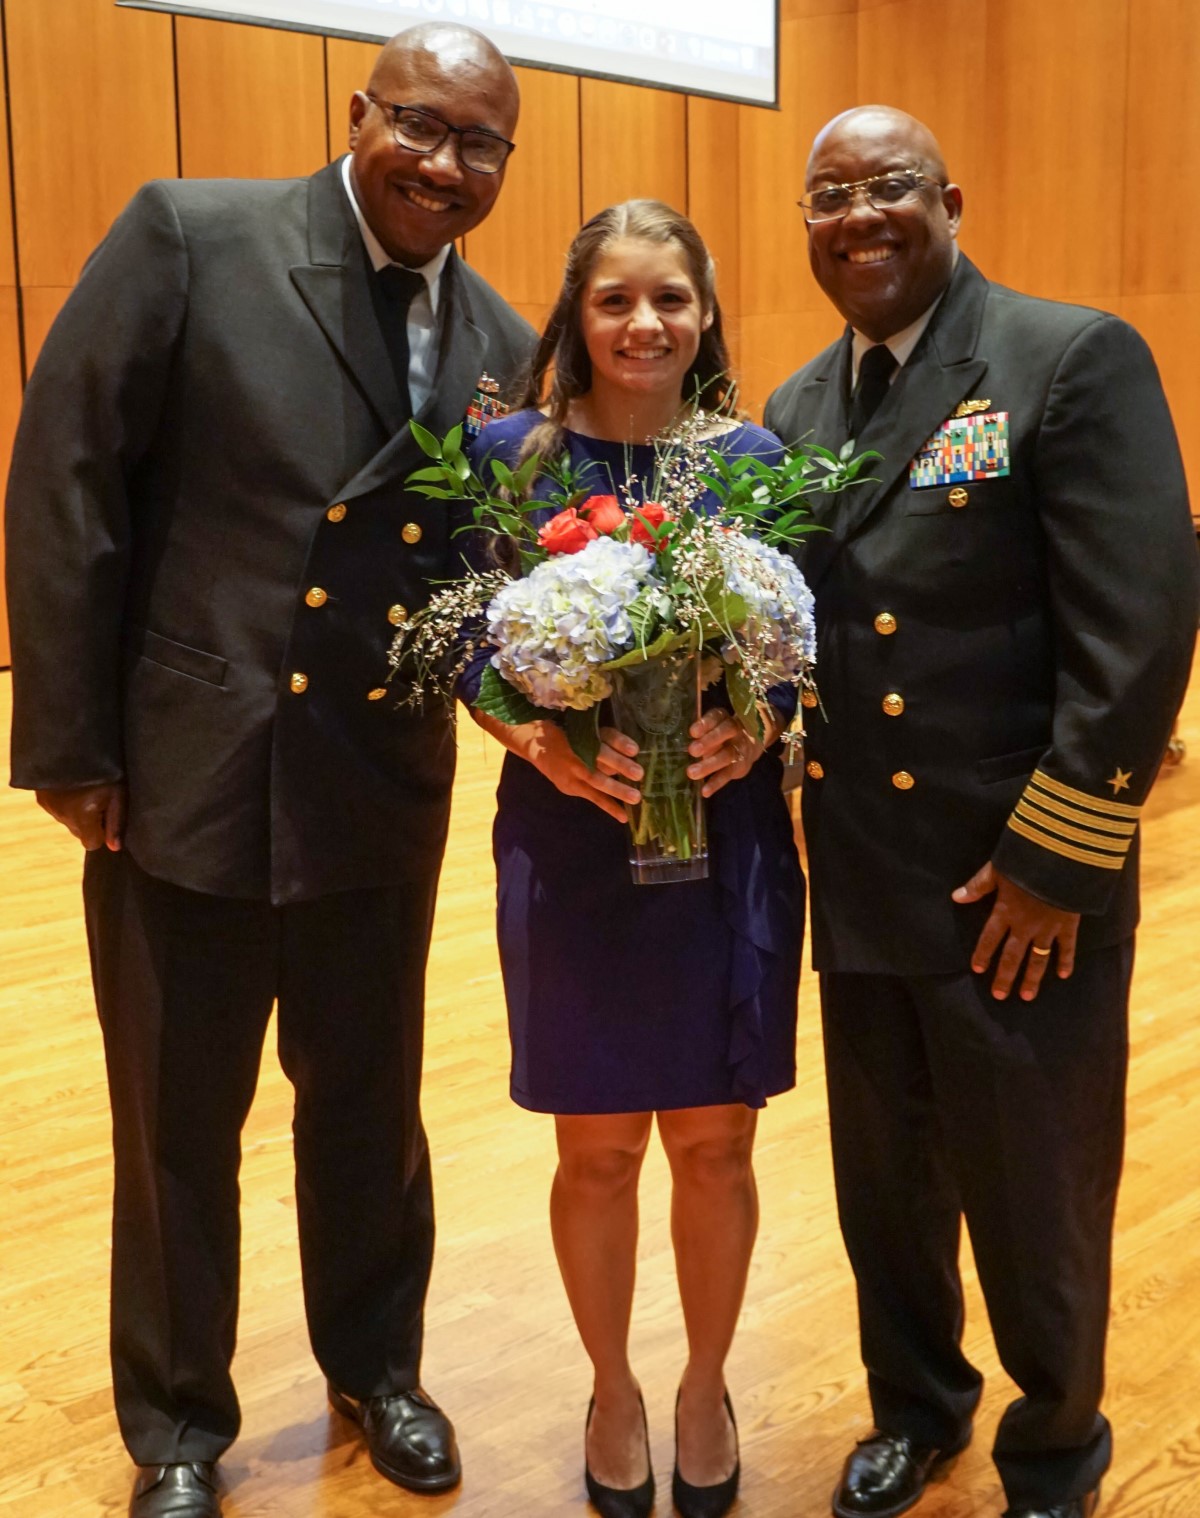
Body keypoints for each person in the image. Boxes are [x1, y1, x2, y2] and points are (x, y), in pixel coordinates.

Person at [4, 24, 534, 1518]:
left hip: (379, 775)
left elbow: (486, 567)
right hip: (192, 764)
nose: (444, 161)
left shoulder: (496, 335)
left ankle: (380, 1364)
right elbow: (66, 476)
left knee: (367, 1101)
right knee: (176, 1115)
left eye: (480, 143)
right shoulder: (196, 233)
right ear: (357, 111)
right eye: (420, 124)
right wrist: (73, 743)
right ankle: (178, 1424)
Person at [764, 106, 1198, 1518]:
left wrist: (1058, 861)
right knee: (884, 1179)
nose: (858, 214)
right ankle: (916, 1405)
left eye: (888, 186)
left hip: (1017, 879)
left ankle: (1058, 1445)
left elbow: (1136, 635)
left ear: (949, 197)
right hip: (869, 868)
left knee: (1035, 1189)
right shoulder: (798, 409)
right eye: (829, 193)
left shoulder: (1063, 357)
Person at [454, 200, 806, 1518]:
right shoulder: (509, 455)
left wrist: (754, 727)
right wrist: (547, 751)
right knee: (595, 1147)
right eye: (616, 299)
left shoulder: (755, 456)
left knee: (717, 1140)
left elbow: (793, 646)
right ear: (576, 313)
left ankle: (706, 1381)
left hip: (726, 845)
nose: (644, 322)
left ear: (705, 310)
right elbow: (472, 663)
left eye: (670, 297)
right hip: (571, 839)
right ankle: (611, 1384)